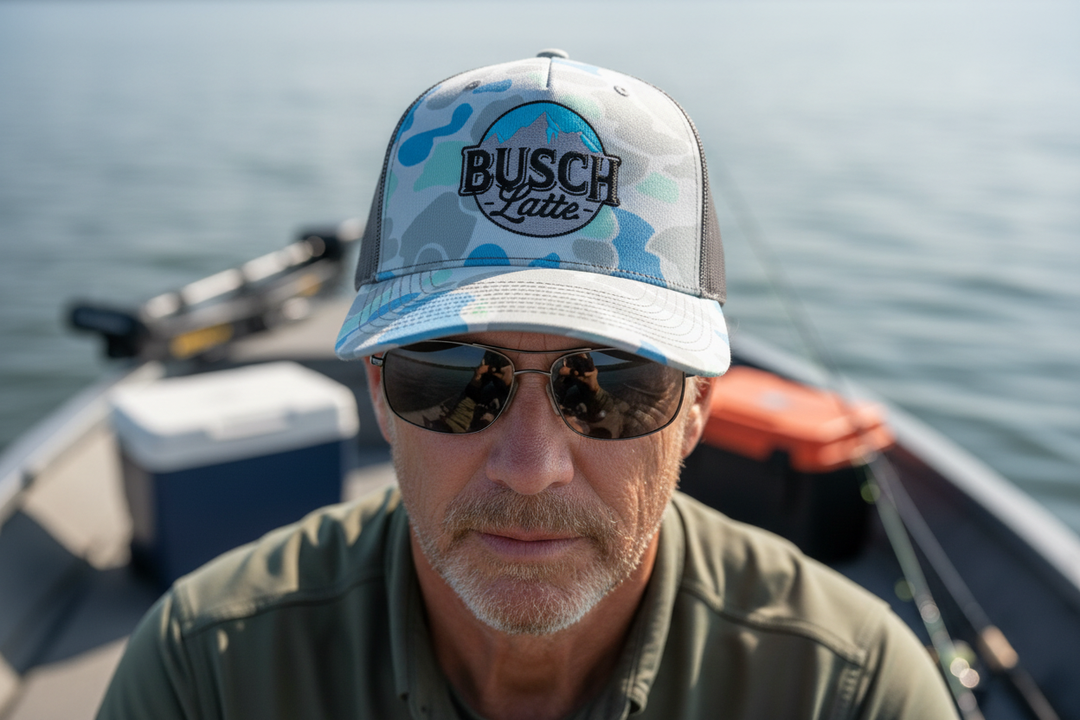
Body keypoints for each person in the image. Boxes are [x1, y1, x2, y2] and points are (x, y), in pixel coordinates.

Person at [96, 51, 960, 720]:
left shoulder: (854, 692)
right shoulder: (200, 670)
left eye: (611, 385)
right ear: (376, 391)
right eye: (453, 379)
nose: (530, 463)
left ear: (697, 409)